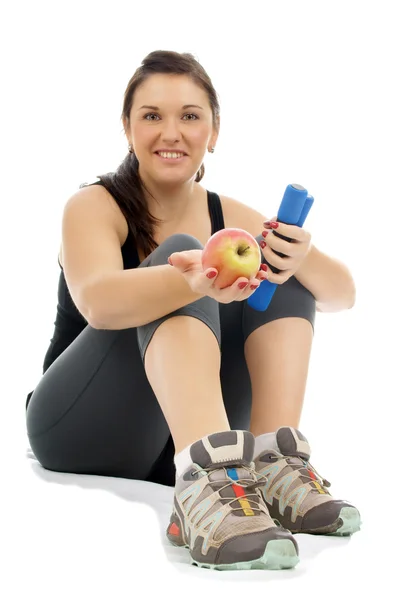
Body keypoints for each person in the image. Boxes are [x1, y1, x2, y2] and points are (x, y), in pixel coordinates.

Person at [25, 50, 361, 571]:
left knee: (282, 268)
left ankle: (273, 465)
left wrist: (303, 255)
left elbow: (341, 295)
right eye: (152, 115)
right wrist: (189, 278)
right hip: (78, 428)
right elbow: (97, 302)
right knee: (181, 252)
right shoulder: (93, 205)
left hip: (186, 444)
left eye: (189, 115)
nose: (171, 132)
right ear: (127, 127)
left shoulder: (229, 214)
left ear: (214, 130)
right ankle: (202, 485)